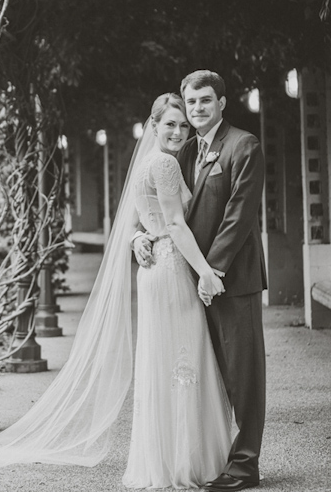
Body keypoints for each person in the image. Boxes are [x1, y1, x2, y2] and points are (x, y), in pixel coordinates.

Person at [0, 92, 234, 489]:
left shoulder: (153, 161)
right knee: (183, 363)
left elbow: (136, 219)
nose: (179, 131)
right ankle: (185, 463)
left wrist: (136, 239)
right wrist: (207, 273)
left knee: (169, 363)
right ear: (154, 126)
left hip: (157, 269)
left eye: (183, 125)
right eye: (170, 124)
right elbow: (178, 226)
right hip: (172, 269)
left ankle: (167, 459)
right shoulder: (163, 162)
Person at [135, 70, 267, 492]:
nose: (196, 110)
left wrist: (214, 272)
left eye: (205, 101)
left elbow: (239, 217)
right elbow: (162, 210)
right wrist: (141, 236)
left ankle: (245, 466)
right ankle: (208, 456)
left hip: (230, 279)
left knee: (243, 373)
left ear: (222, 102)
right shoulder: (183, 149)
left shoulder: (243, 145)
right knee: (202, 373)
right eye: (191, 103)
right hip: (186, 281)